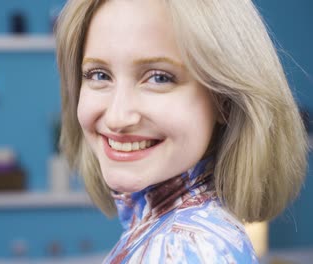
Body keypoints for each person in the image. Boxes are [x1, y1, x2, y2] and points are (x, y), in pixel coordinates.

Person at [55, 0, 308, 263]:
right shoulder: (163, 233)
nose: (118, 117)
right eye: (99, 75)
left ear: (225, 101)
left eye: (159, 77)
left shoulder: (182, 248)